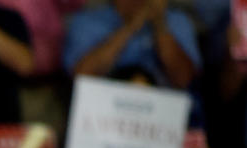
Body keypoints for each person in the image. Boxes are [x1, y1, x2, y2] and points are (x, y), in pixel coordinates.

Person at [63, 0, 199, 90]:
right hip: (102, 116)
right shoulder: (87, 22)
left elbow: (184, 81)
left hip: (164, 118)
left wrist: (160, 25)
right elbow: (81, 78)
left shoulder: (177, 22)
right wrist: (132, 26)